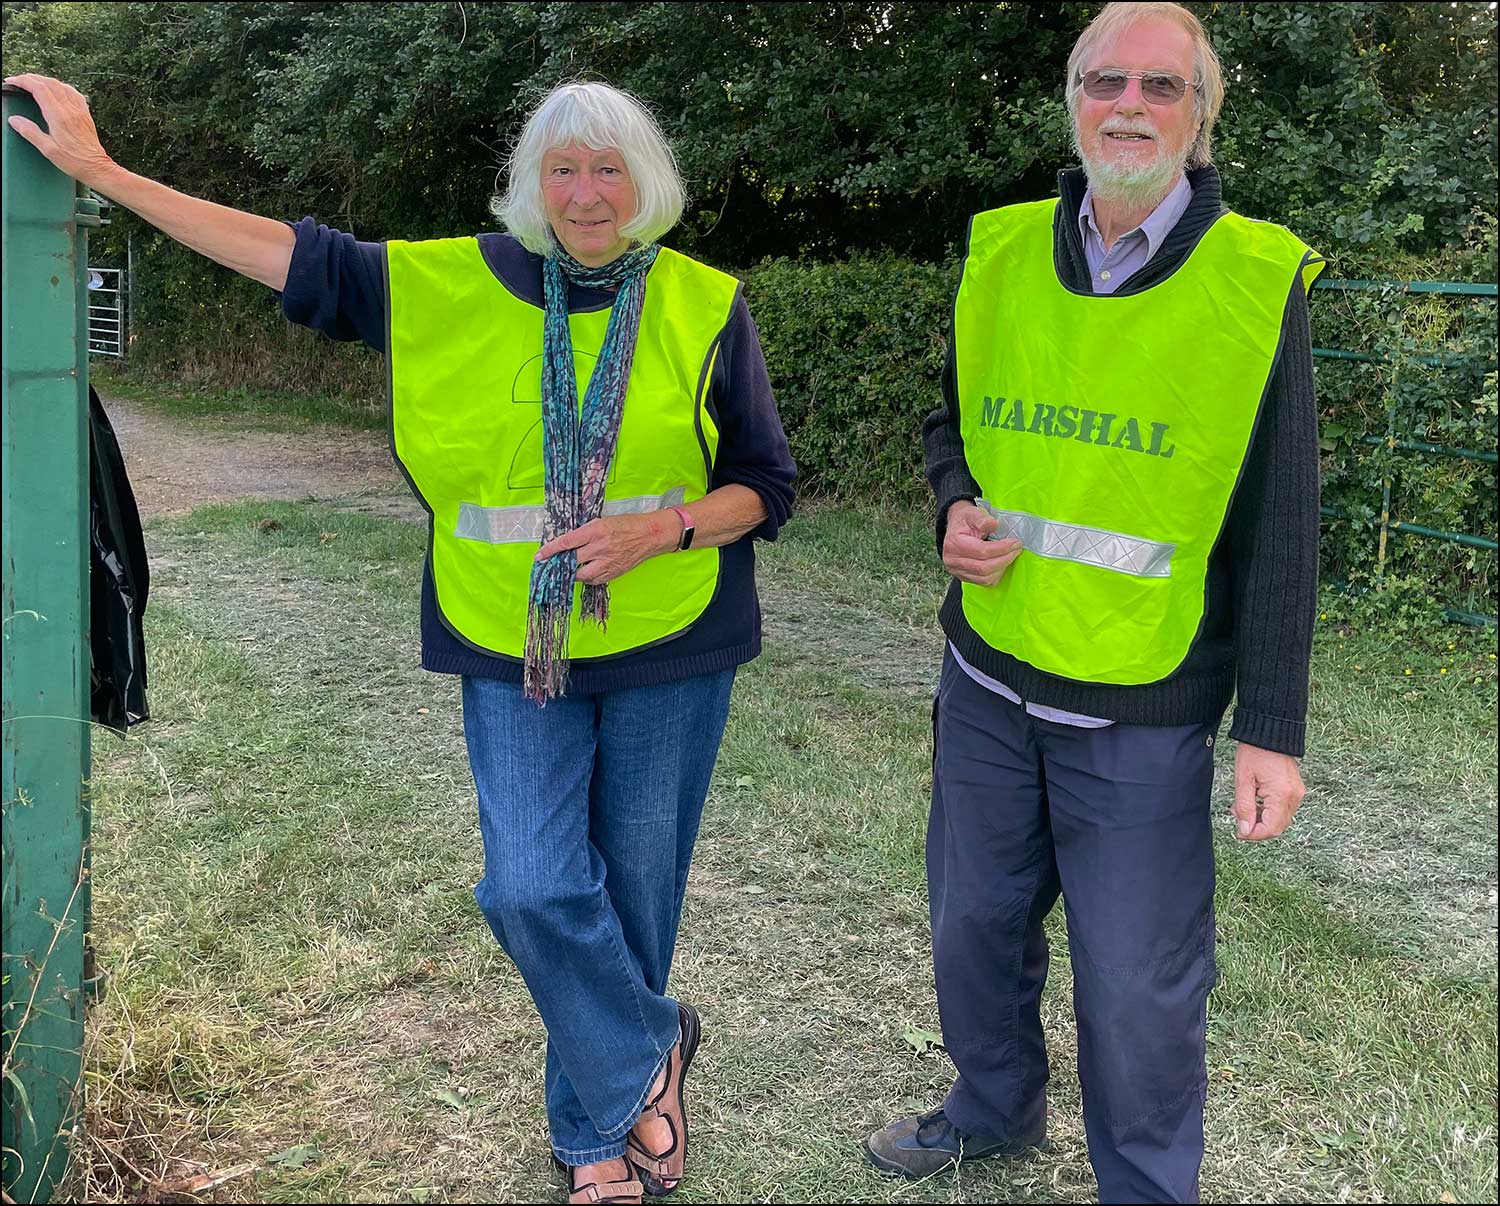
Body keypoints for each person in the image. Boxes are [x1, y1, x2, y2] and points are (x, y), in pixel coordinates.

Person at [6, 72, 795, 1205]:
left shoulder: (707, 301)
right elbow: (280, 251)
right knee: (530, 888)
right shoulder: (444, 283)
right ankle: (648, 1053)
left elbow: (767, 485)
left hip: (676, 639)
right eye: (561, 169)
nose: (585, 193)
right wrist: (105, 175)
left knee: (632, 902)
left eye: (608, 169)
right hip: (506, 637)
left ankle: (592, 1143)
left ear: (646, 182)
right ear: (528, 182)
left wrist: (666, 528)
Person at [862, 4, 1322, 1202]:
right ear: (1070, 100)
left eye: (1161, 86)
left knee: (1137, 982)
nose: (1129, 104)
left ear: (1201, 115)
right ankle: (992, 1109)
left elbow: (1281, 521)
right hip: (988, 677)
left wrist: (1270, 726)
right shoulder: (1004, 249)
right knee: (971, 928)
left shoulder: (1254, 281)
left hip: (1145, 700)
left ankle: (1147, 1185)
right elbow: (953, 421)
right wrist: (954, 503)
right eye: (1104, 80)